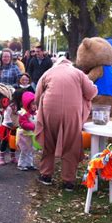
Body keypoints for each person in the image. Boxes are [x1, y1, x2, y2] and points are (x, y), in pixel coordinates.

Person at [34, 57, 97, 191]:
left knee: (48, 141)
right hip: (72, 111)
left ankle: (46, 175)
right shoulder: (78, 73)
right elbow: (91, 93)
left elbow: (37, 95)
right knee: (71, 143)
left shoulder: (48, 72)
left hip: (49, 109)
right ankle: (68, 181)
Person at [17, 92, 37, 171]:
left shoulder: (34, 113)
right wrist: (33, 126)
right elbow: (23, 124)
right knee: (24, 149)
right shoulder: (24, 113)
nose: (35, 106)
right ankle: (21, 164)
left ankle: (29, 164)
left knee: (30, 149)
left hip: (30, 135)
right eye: (33, 104)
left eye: (36, 104)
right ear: (27, 104)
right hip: (24, 135)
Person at [0, 98, 18, 165]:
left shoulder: (16, 106)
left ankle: (13, 157)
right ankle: (1, 157)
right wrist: (12, 125)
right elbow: (7, 118)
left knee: (13, 142)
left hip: (14, 127)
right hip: (7, 127)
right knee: (4, 142)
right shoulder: (8, 108)